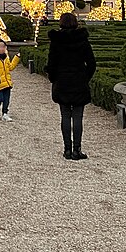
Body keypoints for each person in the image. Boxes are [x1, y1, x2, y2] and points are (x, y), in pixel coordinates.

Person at [46, 11, 97, 160]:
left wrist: (54, 79)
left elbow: (51, 64)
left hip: (62, 81)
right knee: (78, 117)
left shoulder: (56, 41)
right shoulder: (82, 40)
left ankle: (67, 149)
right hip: (78, 81)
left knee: (65, 116)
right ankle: (77, 150)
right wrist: (84, 77)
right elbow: (92, 63)